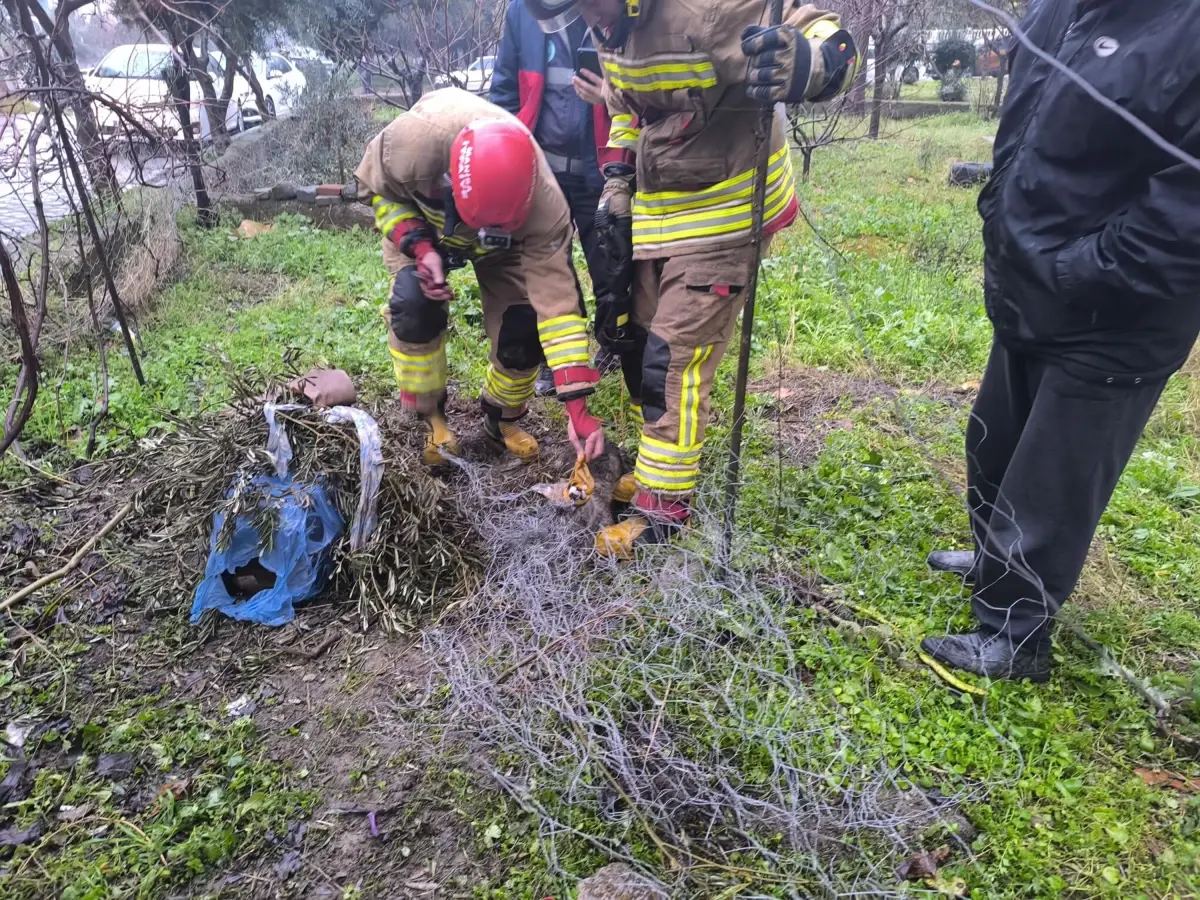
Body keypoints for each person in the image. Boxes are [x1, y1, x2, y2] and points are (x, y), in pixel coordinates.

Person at [921, 0, 1200, 682]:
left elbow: (1188, 206)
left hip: (1121, 306)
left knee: (1053, 479)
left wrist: (1082, 269)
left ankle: (1015, 637)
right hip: (1034, 279)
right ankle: (994, 559)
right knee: (997, 439)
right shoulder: (1060, 10)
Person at [523, 0, 859, 557]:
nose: (592, 22)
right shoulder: (605, 20)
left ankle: (664, 511)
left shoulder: (707, 9)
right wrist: (618, 173)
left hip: (728, 210)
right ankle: (655, 469)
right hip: (661, 213)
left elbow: (818, 28)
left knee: (674, 361)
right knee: (643, 344)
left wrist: (812, 61)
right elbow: (628, 98)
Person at [355, 87, 607, 468]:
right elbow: (380, 194)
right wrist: (422, 250)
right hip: (427, 227)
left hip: (503, 247)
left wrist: (577, 408)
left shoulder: (546, 206)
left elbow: (558, 307)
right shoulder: (412, 145)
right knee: (415, 306)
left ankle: (501, 417)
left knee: (523, 326)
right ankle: (434, 420)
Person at [490, 0, 623, 396]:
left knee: (611, 263)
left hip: (598, 166)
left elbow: (641, 86)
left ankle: (613, 345)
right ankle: (557, 359)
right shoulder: (523, 13)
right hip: (542, 171)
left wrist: (609, 94)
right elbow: (504, 91)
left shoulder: (611, 10)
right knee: (549, 270)